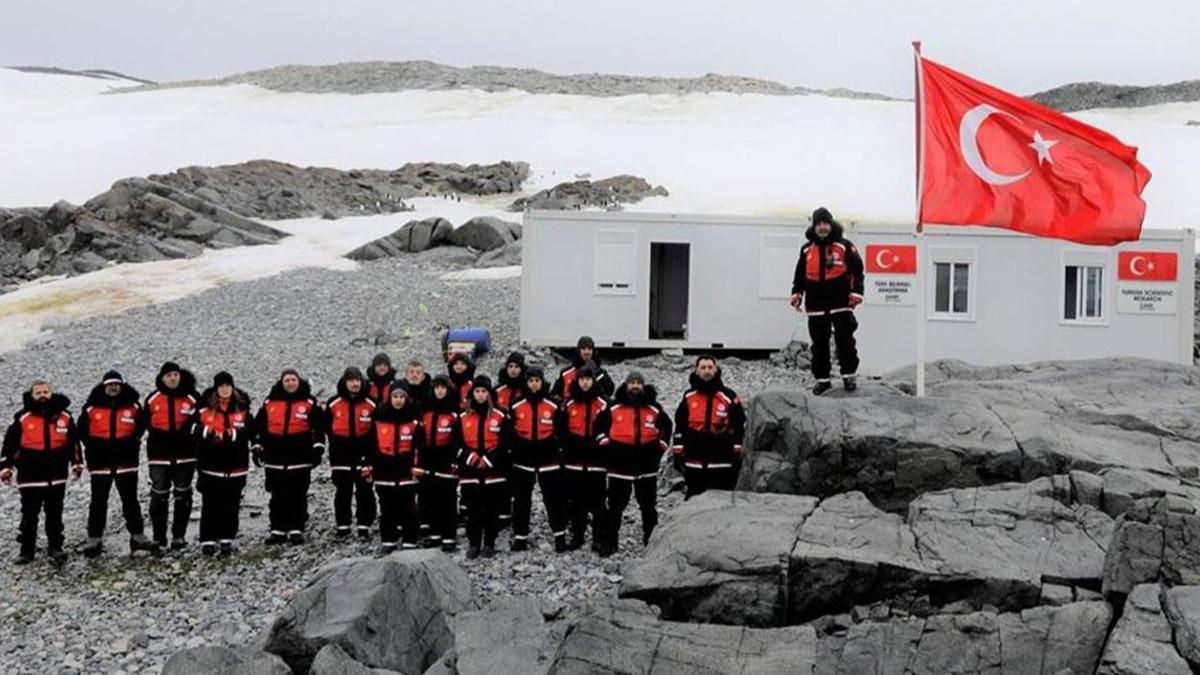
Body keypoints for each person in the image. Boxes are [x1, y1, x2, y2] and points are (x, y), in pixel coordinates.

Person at [1, 381, 82, 565]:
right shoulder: (22, 418)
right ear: (31, 395)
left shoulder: (65, 417)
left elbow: (74, 444)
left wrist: (77, 464)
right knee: (29, 515)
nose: (43, 395)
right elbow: (9, 446)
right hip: (30, 477)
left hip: (57, 476)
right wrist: (6, 468)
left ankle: (55, 547)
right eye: (38, 392)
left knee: (55, 514)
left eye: (46, 391)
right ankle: (26, 550)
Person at [78, 370, 156, 557]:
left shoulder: (134, 406)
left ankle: (137, 535)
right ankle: (94, 537)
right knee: (98, 501)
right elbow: (81, 430)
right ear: (104, 386)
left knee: (130, 500)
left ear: (122, 385)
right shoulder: (91, 407)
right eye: (110, 384)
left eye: (116, 384)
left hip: (126, 461)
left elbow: (143, 424)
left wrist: (134, 440)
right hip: (100, 463)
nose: (113, 387)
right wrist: (92, 447)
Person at [790, 206, 865, 395]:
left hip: (841, 302)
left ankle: (849, 376)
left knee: (845, 339)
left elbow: (857, 270)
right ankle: (822, 380)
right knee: (819, 343)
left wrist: (856, 292)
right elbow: (799, 275)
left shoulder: (845, 245)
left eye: (826, 223)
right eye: (819, 224)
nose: (823, 227)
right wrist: (797, 293)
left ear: (831, 224)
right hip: (816, 304)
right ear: (814, 226)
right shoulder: (806, 249)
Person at [596, 371, 672, 555]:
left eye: (639, 383)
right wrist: (606, 446)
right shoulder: (613, 407)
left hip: (646, 465)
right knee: (614, 506)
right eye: (632, 383)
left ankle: (651, 541)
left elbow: (667, 427)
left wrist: (660, 448)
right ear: (626, 385)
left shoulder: (654, 408)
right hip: (619, 466)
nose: (635, 386)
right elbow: (599, 427)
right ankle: (610, 543)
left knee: (648, 506)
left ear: (644, 386)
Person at [254, 368, 326, 545]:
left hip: (300, 457)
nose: (290, 383)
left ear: (298, 381)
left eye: (293, 380)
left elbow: (318, 427)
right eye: (287, 380)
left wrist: (318, 448)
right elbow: (260, 427)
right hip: (275, 457)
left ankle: (296, 528)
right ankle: (277, 529)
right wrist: (257, 447)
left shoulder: (309, 402)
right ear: (281, 382)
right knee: (277, 494)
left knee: (298, 493)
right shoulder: (270, 402)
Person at [508, 366, 568, 552]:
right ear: (526, 383)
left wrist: (558, 448)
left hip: (548, 459)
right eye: (531, 381)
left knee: (554, 499)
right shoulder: (516, 404)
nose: (534, 384)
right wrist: (515, 448)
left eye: (537, 380)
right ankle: (520, 537)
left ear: (542, 382)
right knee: (521, 499)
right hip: (523, 459)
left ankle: (559, 536)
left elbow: (561, 430)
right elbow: (510, 431)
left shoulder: (553, 404)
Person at [193, 372, 252, 556]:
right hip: (211, 466)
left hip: (236, 466)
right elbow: (192, 428)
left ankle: (227, 537)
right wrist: (208, 433)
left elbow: (251, 430)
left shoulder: (242, 409)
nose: (225, 389)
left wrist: (233, 435)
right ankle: (207, 539)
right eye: (221, 386)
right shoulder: (204, 410)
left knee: (232, 503)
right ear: (216, 389)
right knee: (210, 503)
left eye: (228, 386)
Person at [143, 361, 200, 551]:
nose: (173, 378)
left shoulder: (192, 397)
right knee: (159, 495)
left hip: (185, 455)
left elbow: (201, 421)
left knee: (183, 494)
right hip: (159, 455)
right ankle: (159, 537)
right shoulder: (152, 399)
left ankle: (179, 536)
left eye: (175, 374)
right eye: (168, 375)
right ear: (162, 378)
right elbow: (141, 424)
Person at [672, 355, 747, 498]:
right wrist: (678, 451)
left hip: (722, 460)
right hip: (694, 460)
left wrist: (737, 450)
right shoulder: (689, 396)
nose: (707, 371)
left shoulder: (728, 396)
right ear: (696, 371)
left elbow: (739, 424)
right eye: (703, 367)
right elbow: (680, 425)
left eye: (710, 367)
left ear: (716, 369)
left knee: (722, 503)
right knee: (693, 501)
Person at [554, 362, 609, 551]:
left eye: (588, 379)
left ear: (593, 381)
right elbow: (560, 430)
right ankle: (577, 536)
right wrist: (564, 449)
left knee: (598, 502)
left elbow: (609, 430)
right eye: (582, 379)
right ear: (577, 381)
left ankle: (598, 538)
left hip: (596, 461)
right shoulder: (569, 404)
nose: (585, 383)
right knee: (576, 501)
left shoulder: (603, 404)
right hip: (574, 461)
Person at [364, 382, 423, 553]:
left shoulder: (413, 422)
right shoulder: (379, 420)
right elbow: (370, 446)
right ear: (389, 398)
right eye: (395, 397)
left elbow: (419, 447)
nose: (398, 400)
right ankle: (388, 539)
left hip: (406, 472)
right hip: (384, 472)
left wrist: (417, 466)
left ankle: (410, 539)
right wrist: (369, 466)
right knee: (387, 507)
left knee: (409, 507)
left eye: (402, 397)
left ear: (407, 399)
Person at [456, 375, 511, 559]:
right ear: (472, 395)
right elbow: (455, 444)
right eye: (477, 391)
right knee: (472, 510)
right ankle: (473, 543)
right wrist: (470, 457)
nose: (480, 395)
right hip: (470, 471)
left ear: (489, 394)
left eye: (483, 391)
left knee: (492, 509)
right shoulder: (462, 417)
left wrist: (489, 459)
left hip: (493, 471)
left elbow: (505, 444)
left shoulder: (501, 415)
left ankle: (489, 542)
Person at [325, 367, 377, 540]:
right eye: (351, 380)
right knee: (342, 492)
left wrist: (371, 456)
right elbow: (325, 428)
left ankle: (364, 526)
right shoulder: (333, 403)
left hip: (364, 455)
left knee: (365, 491)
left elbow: (377, 431)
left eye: (357, 380)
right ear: (344, 382)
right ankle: (343, 526)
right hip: (340, 455)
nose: (355, 384)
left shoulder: (372, 403)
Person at [417, 374, 461, 552]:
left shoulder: (454, 413)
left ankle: (449, 536)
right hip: (428, 459)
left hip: (447, 460)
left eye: (443, 388)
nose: (440, 391)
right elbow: (419, 437)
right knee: (430, 497)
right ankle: (434, 534)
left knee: (448, 499)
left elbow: (458, 438)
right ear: (432, 390)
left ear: (448, 390)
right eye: (437, 388)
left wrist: (455, 459)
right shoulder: (425, 412)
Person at [551, 336, 615, 403]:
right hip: (572, 410)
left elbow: (609, 392)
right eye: (583, 349)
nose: (587, 352)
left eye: (589, 349)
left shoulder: (601, 373)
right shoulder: (566, 373)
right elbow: (555, 394)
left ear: (593, 351)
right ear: (578, 351)